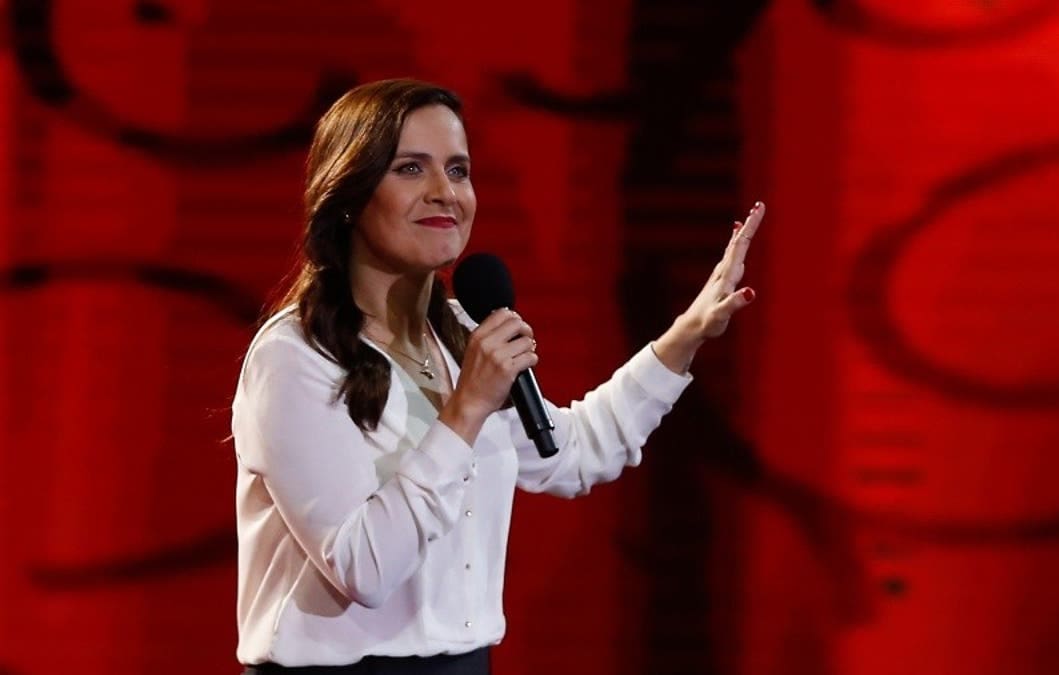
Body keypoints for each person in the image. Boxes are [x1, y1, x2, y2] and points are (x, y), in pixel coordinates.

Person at [231, 78, 764, 674]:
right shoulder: (295, 357)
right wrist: (465, 410)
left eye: (458, 171)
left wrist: (685, 336)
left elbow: (571, 454)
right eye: (411, 169)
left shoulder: (460, 334)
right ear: (351, 193)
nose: (445, 193)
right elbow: (364, 568)